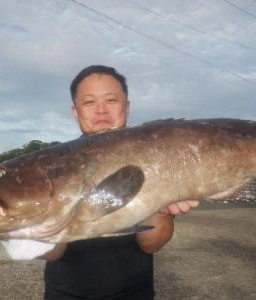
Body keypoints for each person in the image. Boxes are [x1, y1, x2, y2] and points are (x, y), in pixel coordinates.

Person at [42, 65, 199, 299]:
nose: (101, 110)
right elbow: (51, 253)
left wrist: (163, 212)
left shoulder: (155, 158)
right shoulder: (55, 165)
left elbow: (151, 245)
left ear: (126, 107)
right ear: (76, 112)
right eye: (89, 102)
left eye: (111, 100)